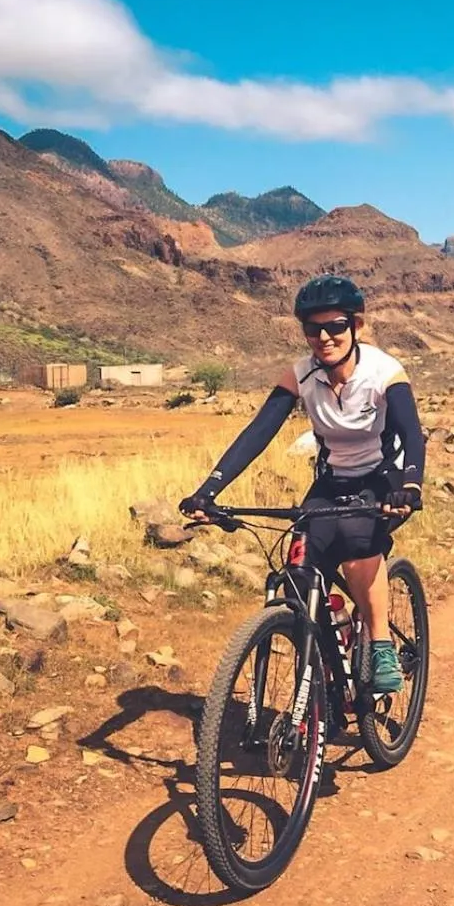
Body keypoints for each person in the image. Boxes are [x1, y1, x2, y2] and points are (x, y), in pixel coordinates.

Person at [178, 274, 426, 694]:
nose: (324, 337)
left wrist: (412, 485)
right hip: (331, 481)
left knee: (356, 545)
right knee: (299, 565)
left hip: (383, 478)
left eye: (335, 327)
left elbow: (411, 432)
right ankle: (339, 625)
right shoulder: (301, 374)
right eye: (313, 329)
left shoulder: (384, 371)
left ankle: (380, 642)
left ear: (356, 327)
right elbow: (258, 432)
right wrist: (210, 490)